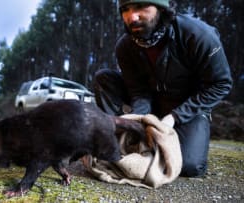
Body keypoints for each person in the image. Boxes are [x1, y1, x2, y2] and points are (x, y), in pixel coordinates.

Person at [93, 0, 232, 177]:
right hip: (153, 101)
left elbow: (221, 84)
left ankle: (172, 134)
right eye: (125, 9)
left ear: (161, 8)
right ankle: (115, 136)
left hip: (188, 106)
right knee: (103, 78)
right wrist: (139, 119)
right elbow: (139, 91)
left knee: (189, 166)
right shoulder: (125, 46)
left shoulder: (198, 35)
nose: (132, 17)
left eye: (140, 7)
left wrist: (175, 117)